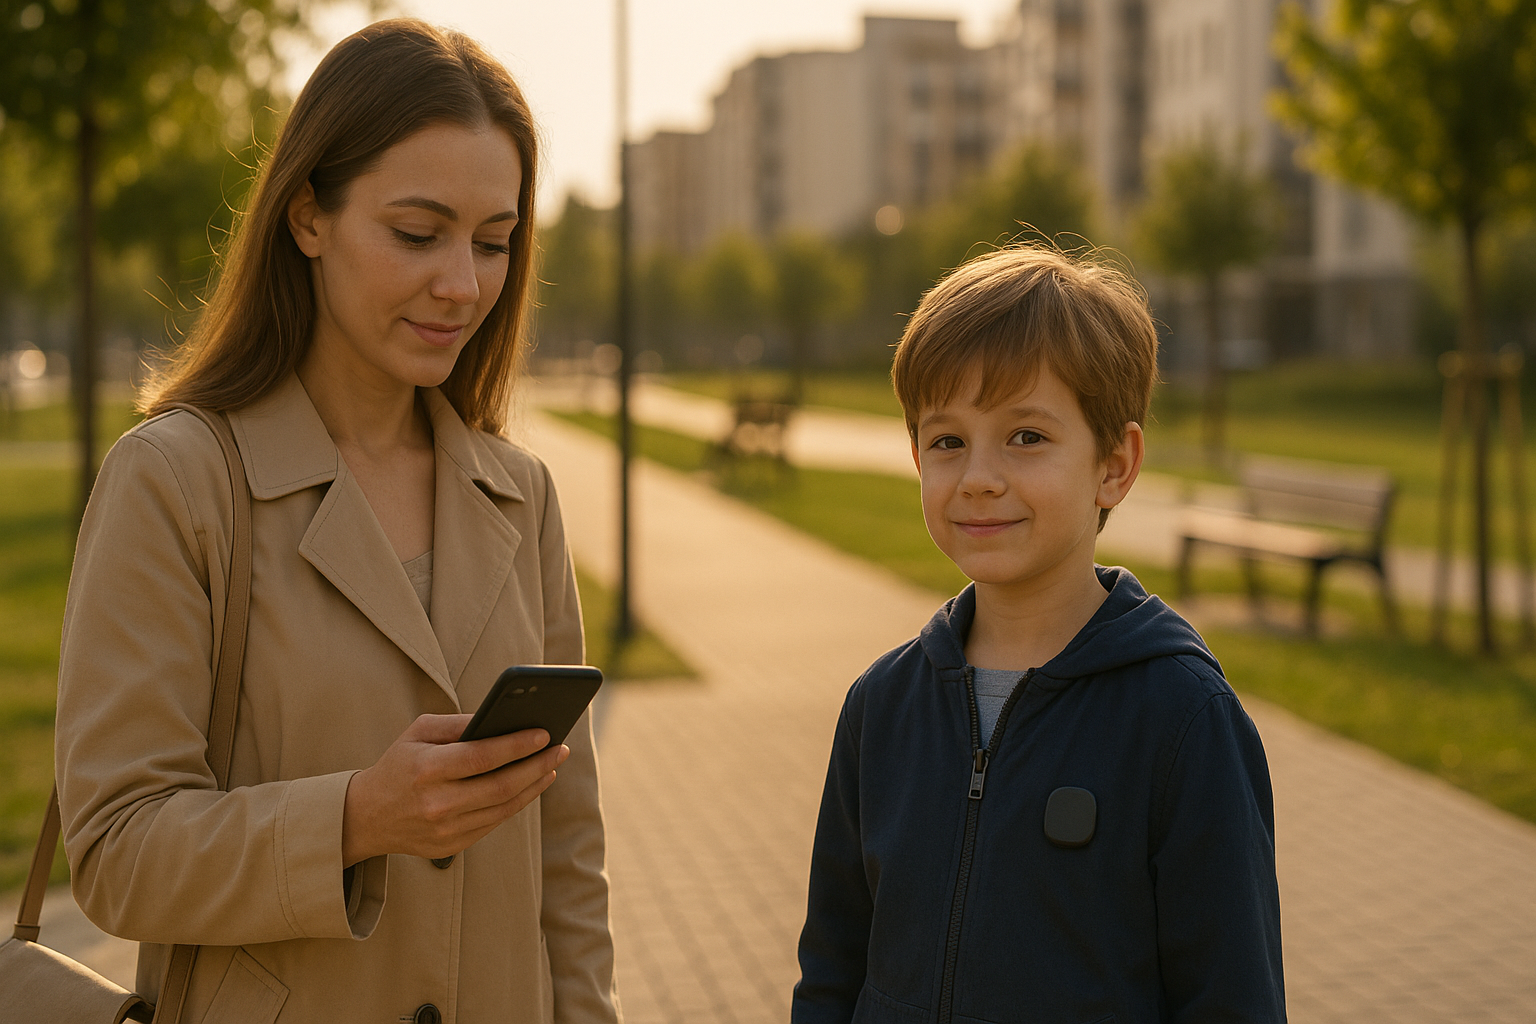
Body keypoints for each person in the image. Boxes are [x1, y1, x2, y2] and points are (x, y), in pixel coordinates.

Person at [53, 20, 619, 1024]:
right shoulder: (176, 482)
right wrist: (357, 817)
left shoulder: (520, 493)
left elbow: (566, 861)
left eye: (494, 243)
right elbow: (114, 854)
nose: (463, 284)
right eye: (417, 233)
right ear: (307, 215)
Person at [792, 246, 1284, 1023]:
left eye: (1025, 437)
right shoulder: (880, 708)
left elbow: (1233, 999)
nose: (979, 476)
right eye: (948, 440)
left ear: (1113, 466)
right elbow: (831, 970)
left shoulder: (1183, 720)